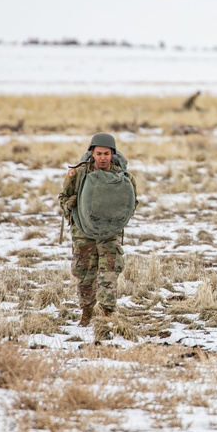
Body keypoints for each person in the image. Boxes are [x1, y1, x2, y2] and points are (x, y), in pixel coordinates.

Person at [58, 132, 138, 326]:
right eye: (99, 153)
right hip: (83, 230)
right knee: (85, 272)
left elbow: (132, 202)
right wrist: (70, 204)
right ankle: (86, 312)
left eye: (107, 154)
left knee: (109, 272)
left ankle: (107, 314)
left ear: (113, 154)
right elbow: (62, 199)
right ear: (92, 153)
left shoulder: (123, 176)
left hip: (110, 231)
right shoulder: (77, 174)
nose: (103, 158)